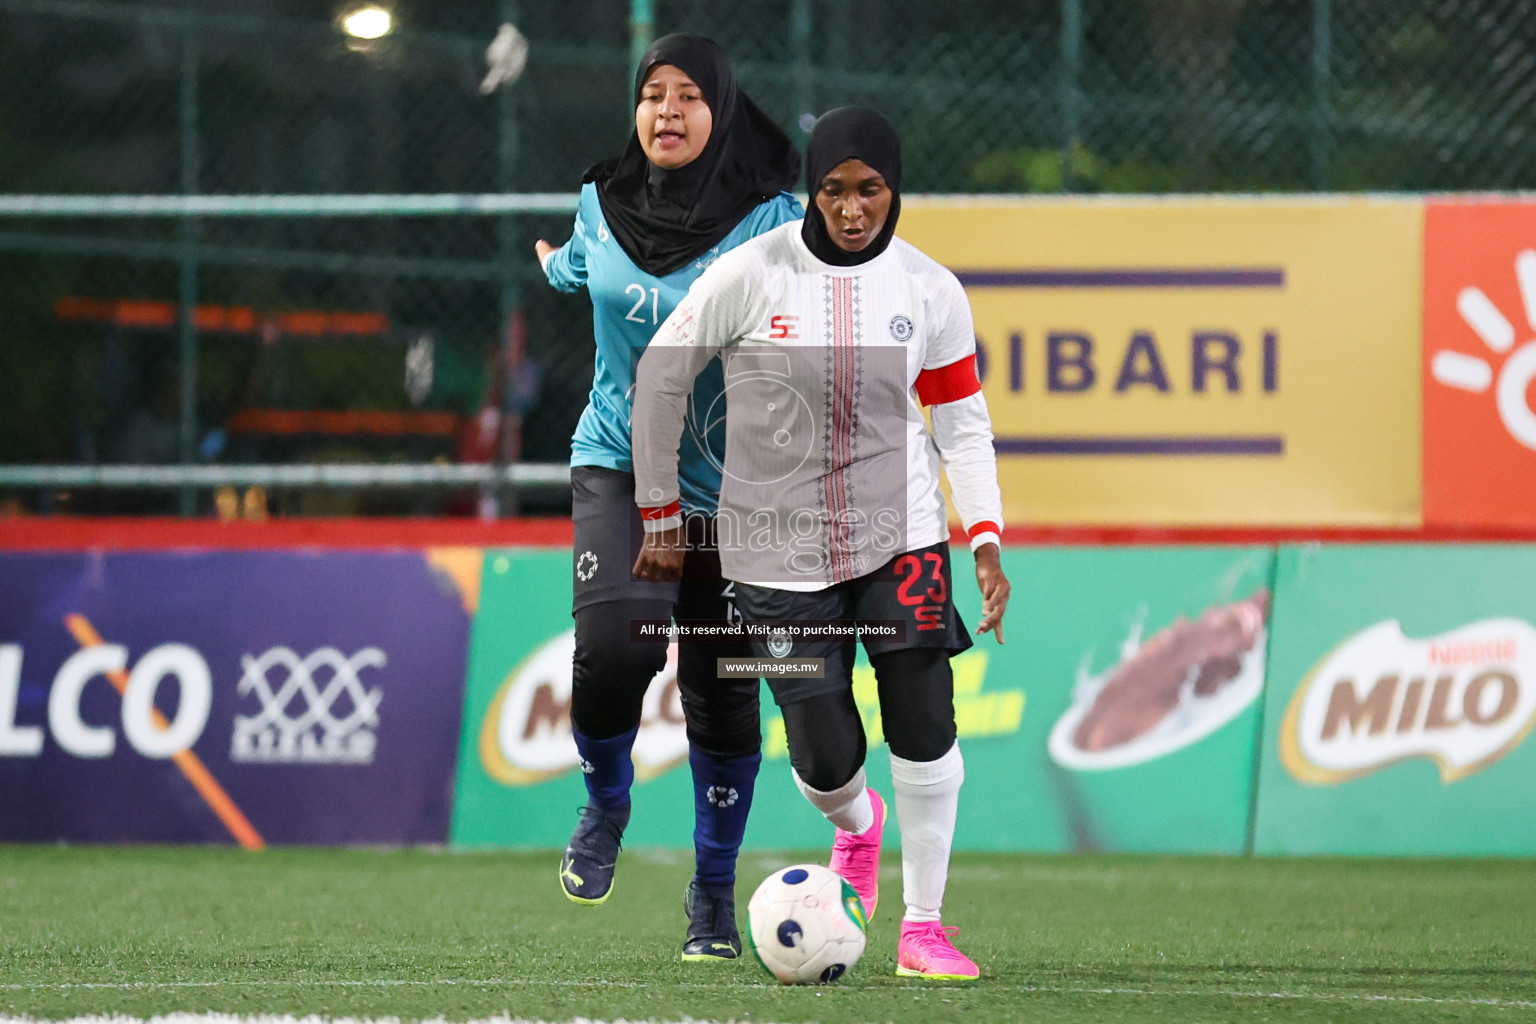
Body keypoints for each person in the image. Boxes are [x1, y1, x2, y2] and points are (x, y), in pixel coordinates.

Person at [629, 106, 1009, 981]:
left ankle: (924, 928)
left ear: (894, 190)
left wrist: (983, 538)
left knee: (923, 711)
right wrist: (657, 509)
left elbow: (961, 424)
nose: (850, 207)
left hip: (900, 534)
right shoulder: (753, 274)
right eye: (833, 189)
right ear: (811, 189)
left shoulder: (930, 289)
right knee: (824, 756)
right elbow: (663, 372)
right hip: (773, 548)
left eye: (869, 189)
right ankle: (858, 828)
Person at [535, 34, 802, 961]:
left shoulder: (773, 221)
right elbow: (578, 265)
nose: (669, 112)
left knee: (722, 693)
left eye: (691, 96)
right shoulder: (598, 203)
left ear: (722, 114)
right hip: (617, 458)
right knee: (613, 648)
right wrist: (554, 263)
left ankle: (714, 899)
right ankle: (607, 804)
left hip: (736, 492)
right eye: (653, 94)